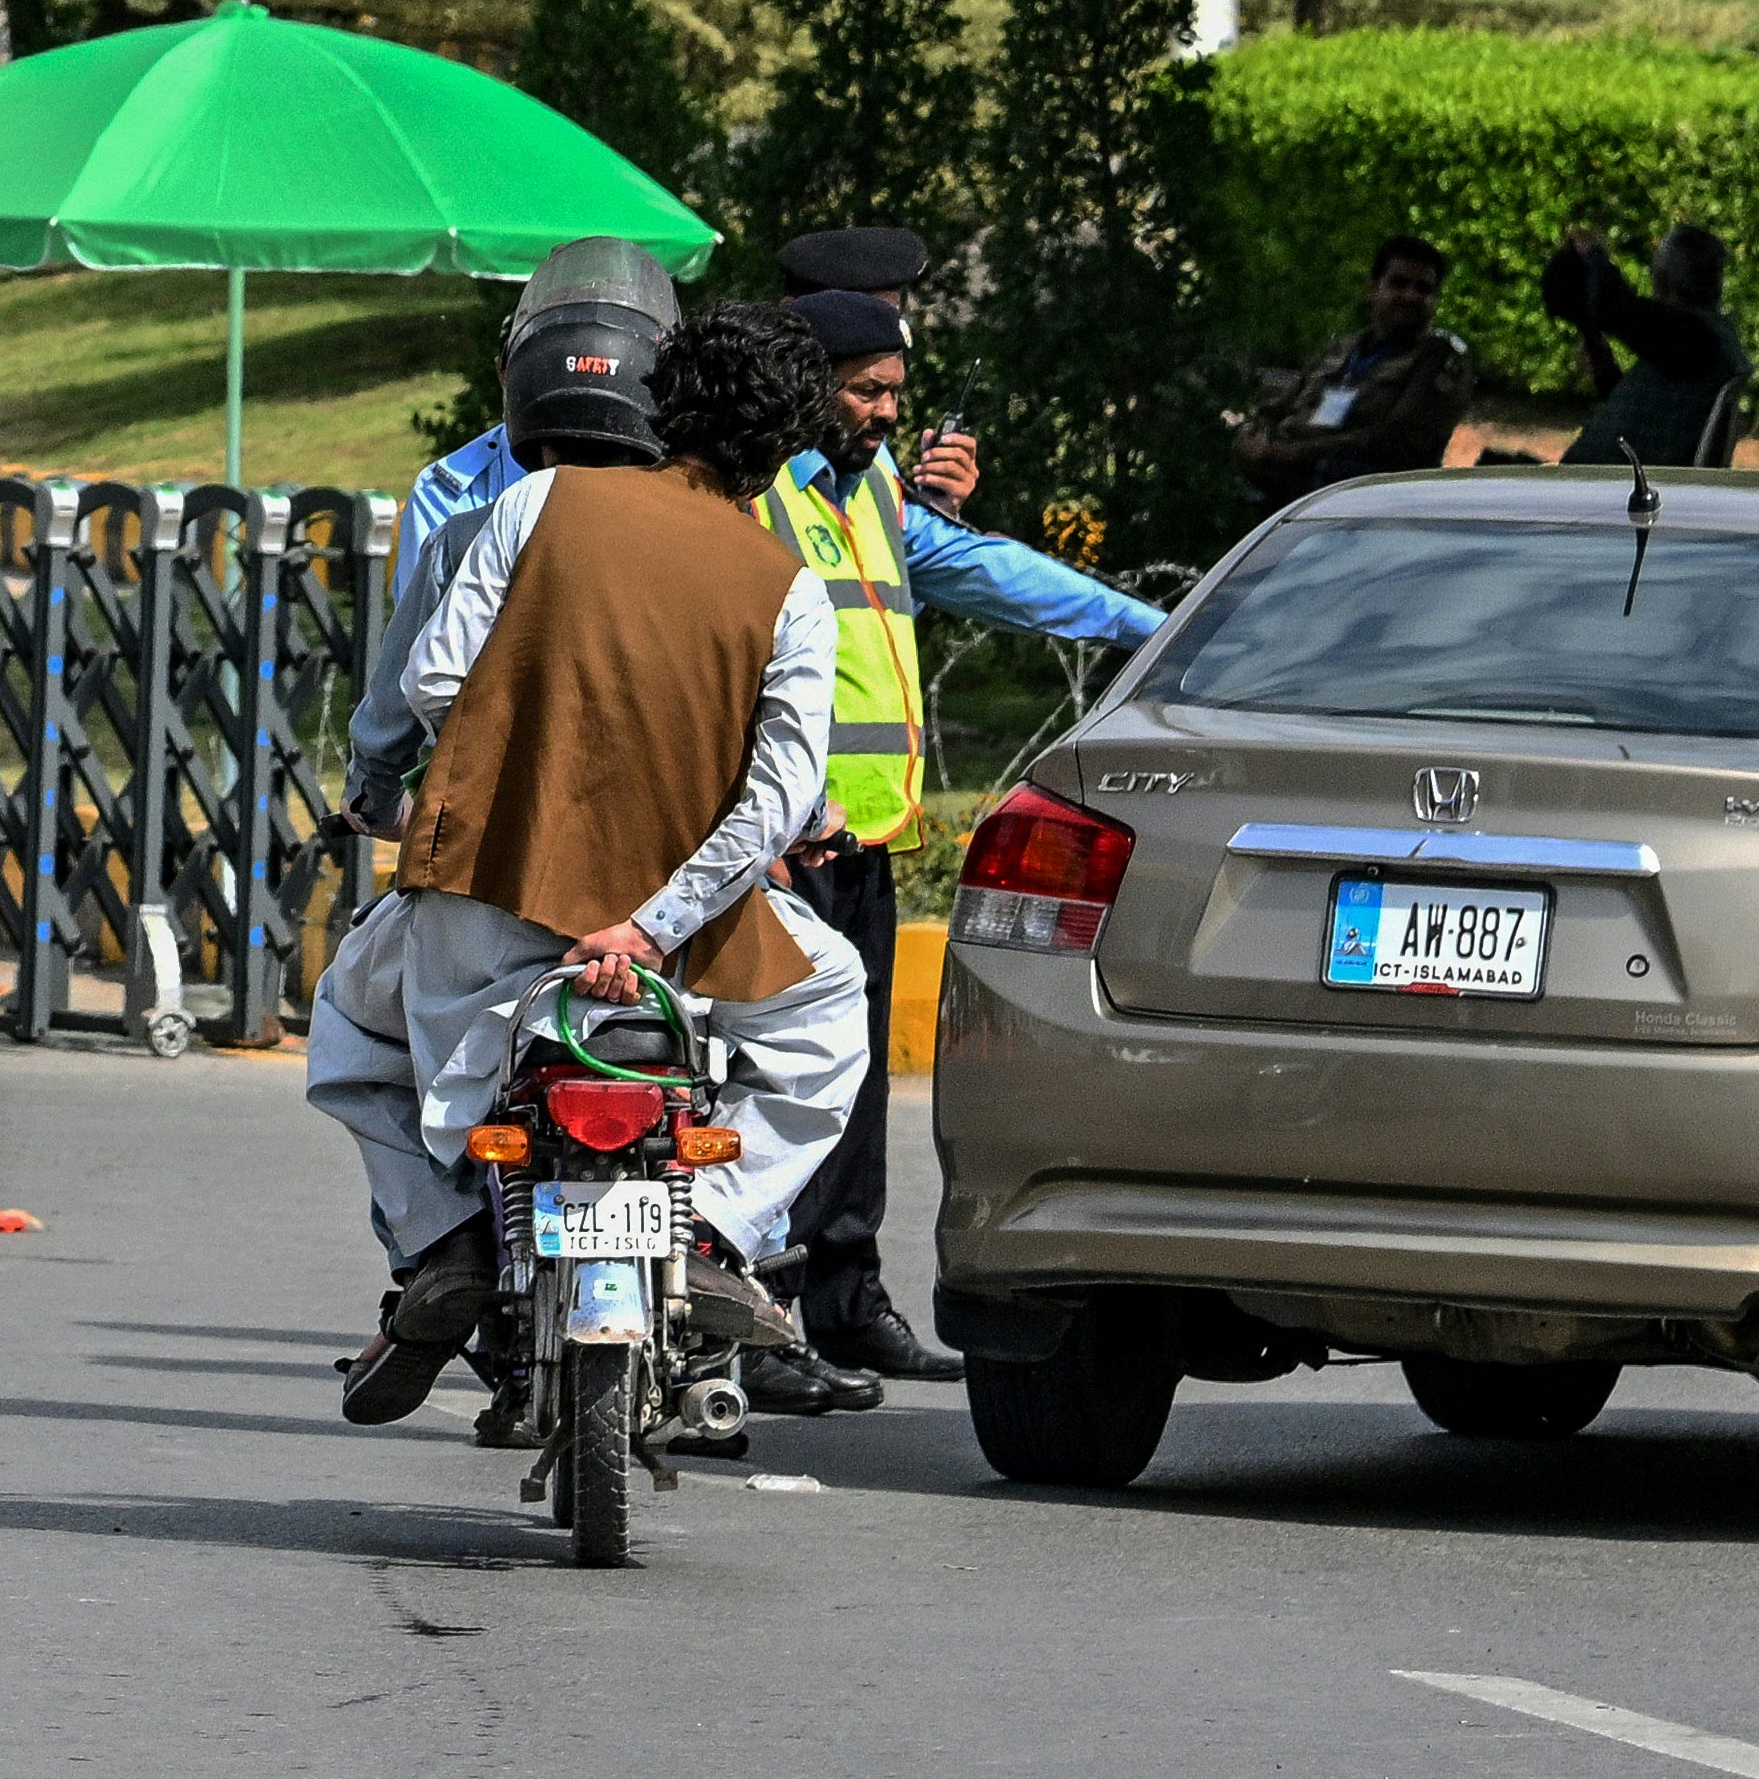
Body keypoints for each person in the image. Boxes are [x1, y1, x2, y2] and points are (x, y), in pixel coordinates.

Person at [315, 297, 880, 1437]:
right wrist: (650, 919)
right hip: (679, 946)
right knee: (830, 1008)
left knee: (349, 1029)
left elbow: (432, 681)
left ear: (657, 402)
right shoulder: (786, 588)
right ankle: (715, 1231)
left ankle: (442, 1241)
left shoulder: (532, 502)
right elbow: (773, 796)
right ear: (781, 454)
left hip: (487, 900)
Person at [762, 227, 1164, 1387]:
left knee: (849, 1077)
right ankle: (769, 1304)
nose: (894, 388)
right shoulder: (754, 479)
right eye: (870, 364)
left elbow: (975, 567)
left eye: (897, 370)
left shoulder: (866, 481)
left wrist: (1143, 625)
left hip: (864, 831)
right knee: (777, 1073)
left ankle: (841, 1294)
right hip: (781, 832)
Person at [341, 238, 682, 823]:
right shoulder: (704, 542)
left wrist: (372, 798)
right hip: (657, 846)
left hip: (498, 834)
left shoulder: (466, 538)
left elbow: (401, 700)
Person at [1236, 232, 1485, 504]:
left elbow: (1394, 441)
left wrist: (1291, 454)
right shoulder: (1343, 348)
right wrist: (1253, 435)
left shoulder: (1438, 358)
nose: (1411, 296)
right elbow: (1280, 407)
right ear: (1373, 287)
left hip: (1361, 495)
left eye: (1424, 289)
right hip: (1284, 475)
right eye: (1398, 283)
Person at [1543, 222, 1745, 468]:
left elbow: (1612, 307)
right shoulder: (1702, 341)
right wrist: (1604, 370)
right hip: (1608, 482)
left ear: (1662, 279)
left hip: (1601, 488)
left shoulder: (1691, 338)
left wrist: (1594, 254)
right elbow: (1647, 418)